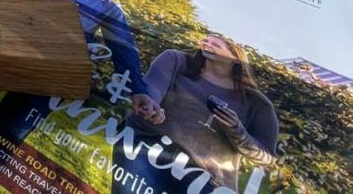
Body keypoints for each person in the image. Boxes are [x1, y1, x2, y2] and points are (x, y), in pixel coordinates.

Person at [0, 0, 160, 189]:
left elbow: (124, 48)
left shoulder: (110, 9)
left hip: (51, 77)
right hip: (5, 59)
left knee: (9, 133)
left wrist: (138, 89)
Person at [115, 34, 279, 194]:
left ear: (236, 57)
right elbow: (152, 88)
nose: (207, 44)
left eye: (215, 44)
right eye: (205, 40)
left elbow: (266, 157)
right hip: (149, 147)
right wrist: (152, 107)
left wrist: (237, 131)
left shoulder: (257, 104)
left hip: (208, 177)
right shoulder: (176, 60)